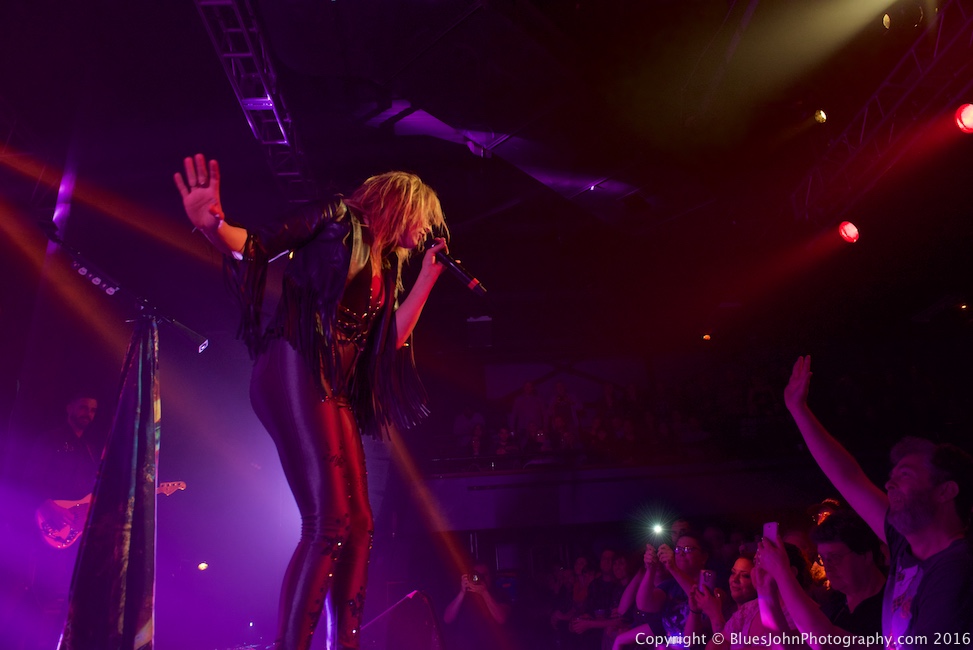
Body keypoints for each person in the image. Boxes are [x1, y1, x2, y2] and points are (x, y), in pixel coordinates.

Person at [174, 154, 449, 650]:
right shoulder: (336, 217)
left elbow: (388, 345)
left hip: (333, 385)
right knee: (329, 521)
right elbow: (256, 245)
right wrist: (213, 226)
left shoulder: (386, 265)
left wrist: (428, 278)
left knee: (360, 523)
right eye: (424, 217)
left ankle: (343, 644)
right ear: (400, 203)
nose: (428, 229)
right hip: (295, 362)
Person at [784, 356, 973, 649]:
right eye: (891, 476)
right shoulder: (904, 545)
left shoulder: (955, 567)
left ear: (945, 491)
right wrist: (799, 411)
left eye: (905, 475)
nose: (889, 484)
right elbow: (848, 477)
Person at [442, 561, 511, 650]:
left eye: (484, 575)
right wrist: (462, 592)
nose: (480, 578)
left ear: (491, 576)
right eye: (477, 575)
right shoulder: (464, 596)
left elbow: (501, 618)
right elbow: (447, 619)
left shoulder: (500, 594)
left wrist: (484, 593)